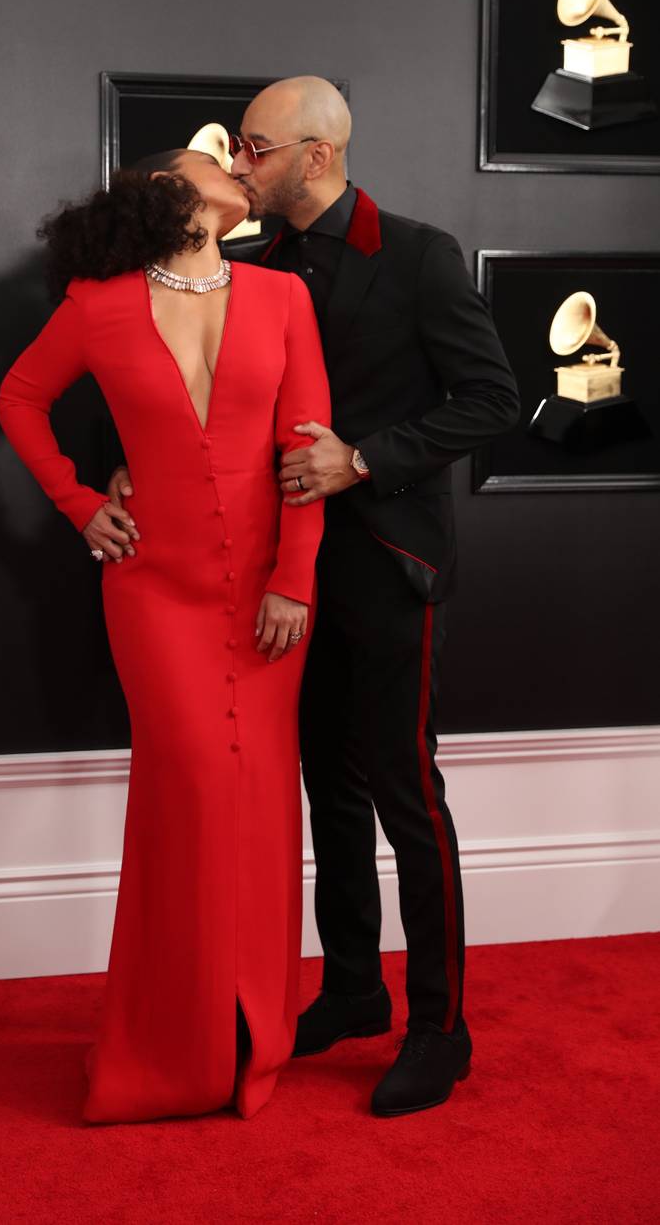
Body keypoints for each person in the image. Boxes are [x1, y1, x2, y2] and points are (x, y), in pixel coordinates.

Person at [109, 78, 520, 1117]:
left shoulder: (420, 255)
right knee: (325, 797)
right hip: (273, 579)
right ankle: (349, 989)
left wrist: (364, 461)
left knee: (402, 796)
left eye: (255, 145)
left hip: (385, 563)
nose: (237, 160)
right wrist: (125, 474)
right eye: (235, 147)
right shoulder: (249, 263)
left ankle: (441, 1027)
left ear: (316, 156)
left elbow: (492, 400)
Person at [0, 148, 331, 1124]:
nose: (232, 162)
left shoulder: (281, 298)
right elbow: (18, 399)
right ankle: (169, 1045)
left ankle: (250, 1035)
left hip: (269, 598)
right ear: (171, 199)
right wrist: (76, 502)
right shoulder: (96, 303)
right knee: (185, 794)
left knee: (264, 803)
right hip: (153, 592)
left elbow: (305, 448)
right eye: (210, 158)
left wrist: (294, 581)